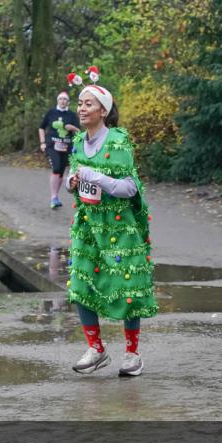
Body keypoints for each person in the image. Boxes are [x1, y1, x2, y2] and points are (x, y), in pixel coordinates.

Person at [65, 83, 157, 377]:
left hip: (118, 228)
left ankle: (132, 355)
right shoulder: (78, 142)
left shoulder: (117, 142)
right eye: (80, 103)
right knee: (80, 285)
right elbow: (76, 179)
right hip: (88, 227)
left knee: (127, 289)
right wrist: (72, 184)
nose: (81, 108)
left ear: (103, 110)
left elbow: (129, 188)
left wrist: (98, 177)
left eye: (88, 104)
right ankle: (96, 349)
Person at [38, 91, 80, 208]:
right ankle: (53, 197)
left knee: (61, 171)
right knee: (56, 168)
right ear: (57, 100)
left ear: (68, 102)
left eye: (65, 99)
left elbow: (79, 132)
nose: (63, 101)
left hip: (67, 147)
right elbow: (41, 128)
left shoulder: (71, 115)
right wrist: (42, 143)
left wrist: (72, 128)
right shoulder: (51, 113)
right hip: (52, 145)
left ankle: (56, 196)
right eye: (60, 99)